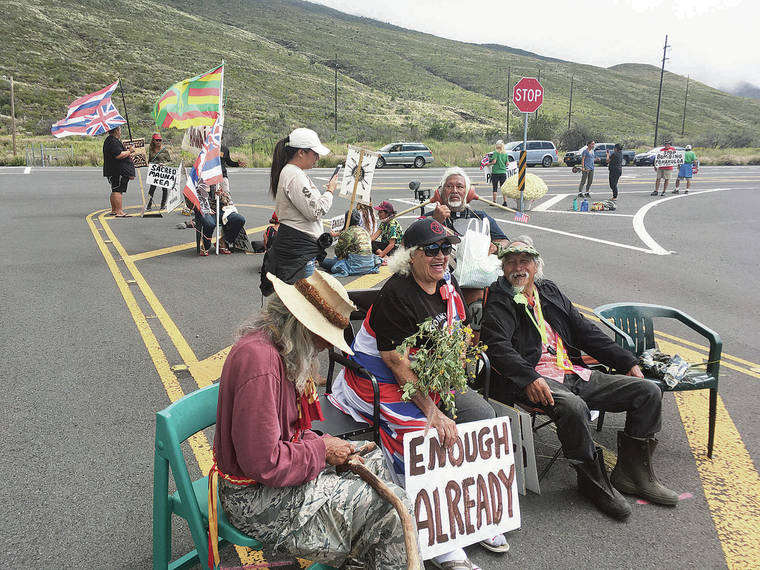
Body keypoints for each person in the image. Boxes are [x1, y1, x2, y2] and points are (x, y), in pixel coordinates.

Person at [331, 218, 510, 568]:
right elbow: (396, 364)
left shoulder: (447, 283)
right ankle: (440, 541)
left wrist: (453, 374)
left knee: (483, 417)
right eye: (432, 249)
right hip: (377, 382)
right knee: (423, 434)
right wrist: (433, 411)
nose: (441, 255)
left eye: (446, 248)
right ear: (411, 256)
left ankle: (474, 517)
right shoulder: (397, 295)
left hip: (428, 378)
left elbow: (453, 337)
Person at [212, 269, 416, 569]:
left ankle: (369, 555)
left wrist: (324, 444)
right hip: (253, 499)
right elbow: (264, 462)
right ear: (301, 325)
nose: (325, 346)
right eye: (322, 336)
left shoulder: (278, 349)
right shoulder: (261, 363)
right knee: (388, 510)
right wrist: (322, 451)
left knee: (371, 464)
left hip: (269, 482)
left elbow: (289, 434)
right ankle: (374, 552)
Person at [479, 237, 678, 520]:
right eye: (511, 261)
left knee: (647, 392)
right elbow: (497, 346)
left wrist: (627, 361)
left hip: (572, 371)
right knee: (573, 407)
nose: (517, 267)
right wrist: (528, 378)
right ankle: (593, 482)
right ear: (503, 268)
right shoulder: (500, 298)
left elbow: (584, 330)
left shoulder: (549, 291)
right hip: (534, 378)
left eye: (524, 261)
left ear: (536, 266)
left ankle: (633, 474)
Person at [261, 128, 339, 294]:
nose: (317, 158)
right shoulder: (294, 175)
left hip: (299, 247)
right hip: (299, 250)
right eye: (315, 153)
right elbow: (316, 210)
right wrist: (330, 191)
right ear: (301, 153)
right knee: (304, 300)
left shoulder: (293, 172)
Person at [320, 210, 381, 277]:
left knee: (323, 261)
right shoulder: (364, 231)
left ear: (347, 219)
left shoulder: (347, 233)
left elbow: (338, 252)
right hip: (369, 265)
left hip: (354, 266)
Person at [102, 125, 135, 217]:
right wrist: (130, 151)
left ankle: (114, 210)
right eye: (120, 130)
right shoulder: (113, 141)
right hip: (117, 171)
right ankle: (119, 211)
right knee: (118, 190)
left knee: (115, 189)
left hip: (112, 170)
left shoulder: (110, 141)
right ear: (116, 130)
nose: (120, 131)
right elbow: (118, 155)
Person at [146, 132, 171, 210]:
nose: (159, 142)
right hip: (155, 172)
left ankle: (163, 205)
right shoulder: (151, 150)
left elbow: (170, 161)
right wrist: (156, 164)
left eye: (160, 140)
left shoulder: (165, 151)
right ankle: (148, 205)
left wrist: (164, 164)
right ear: (153, 141)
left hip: (163, 172)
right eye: (157, 140)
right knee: (152, 189)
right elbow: (149, 161)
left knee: (164, 189)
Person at [487, 139, 510, 204]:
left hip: (496, 172)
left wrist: (489, 164)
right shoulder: (505, 153)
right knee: (503, 188)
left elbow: (494, 161)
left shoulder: (495, 152)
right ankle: (505, 201)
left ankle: (494, 201)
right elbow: (507, 163)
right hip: (503, 172)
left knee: (495, 187)